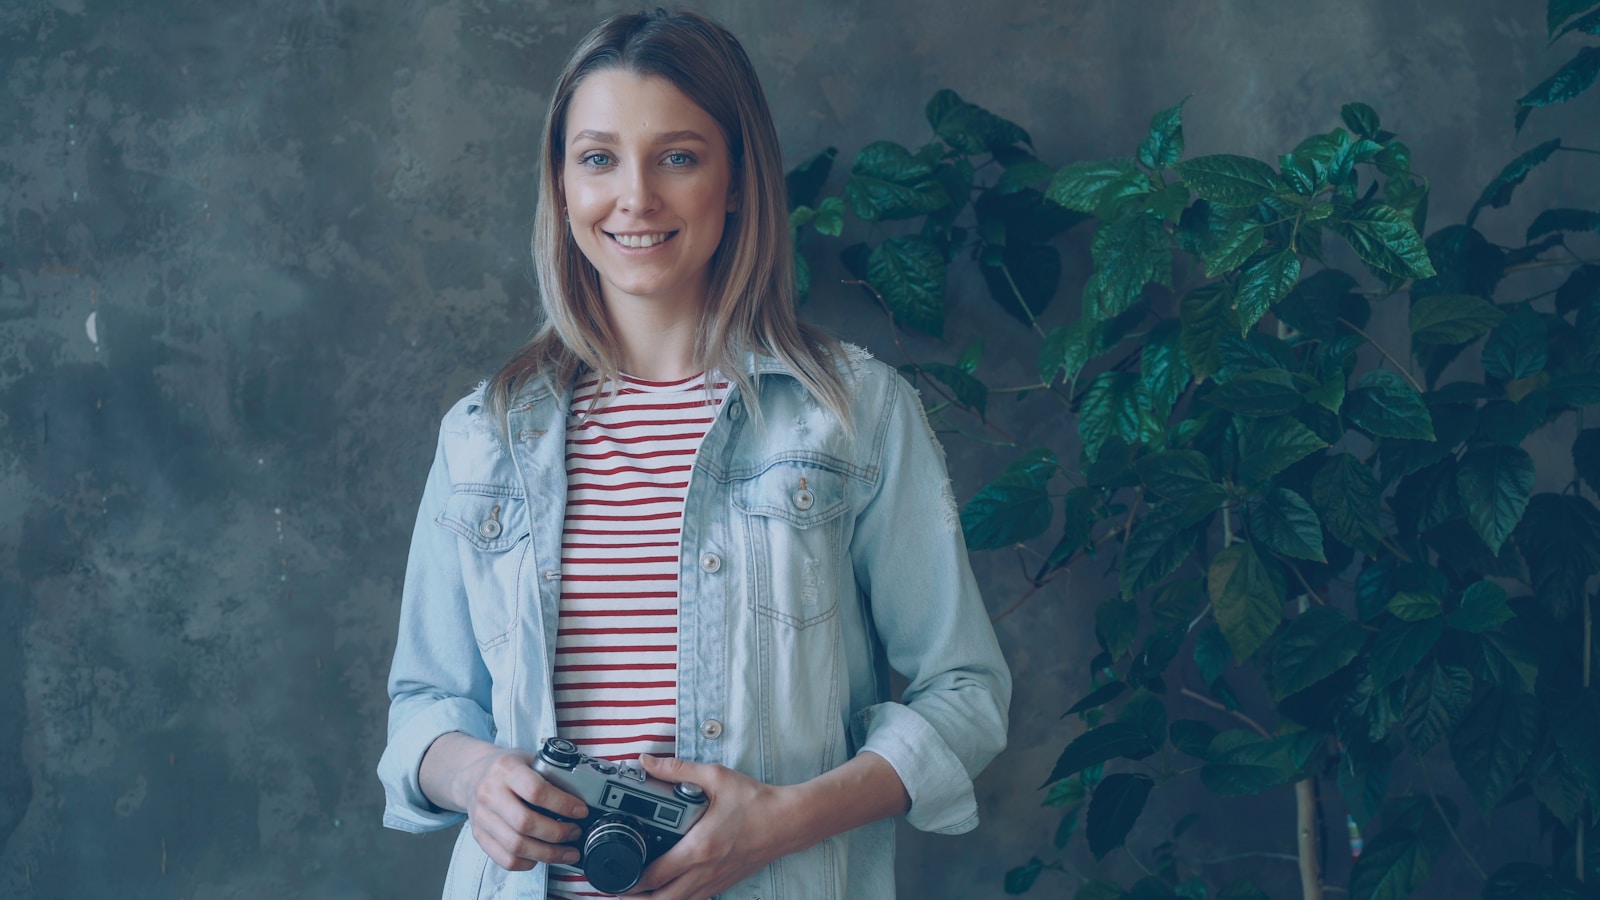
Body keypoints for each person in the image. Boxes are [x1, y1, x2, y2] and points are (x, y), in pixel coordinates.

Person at [376, 9, 1011, 899]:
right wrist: (473, 778)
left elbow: (965, 694)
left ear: (739, 178)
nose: (634, 197)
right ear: (562, 186)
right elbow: (425, 708)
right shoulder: (485, 434)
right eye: (597, 158)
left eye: (678, 156)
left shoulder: (853, 413)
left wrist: (780, 822)